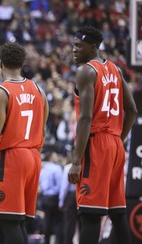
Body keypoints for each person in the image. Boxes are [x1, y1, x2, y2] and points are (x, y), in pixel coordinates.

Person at [68, 26, 138, 244]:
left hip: (96, 143)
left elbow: (86, 118)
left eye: (79, 46)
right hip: (115, 144)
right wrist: (120, 138)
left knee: (90, 213)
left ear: (93, 47)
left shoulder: (87, 71)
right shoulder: (116, 70)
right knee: (117, 213)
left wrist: (77, 161)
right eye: (74, 46)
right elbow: (133, 110)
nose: (74, 50)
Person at [0, 42, 49, 244]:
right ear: (22, 64)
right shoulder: (39, 89)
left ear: (0, 64)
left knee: (9, 221)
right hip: (33, 156)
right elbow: (43, 127)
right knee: (18, 221)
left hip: (11, 158)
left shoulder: (1, 92)